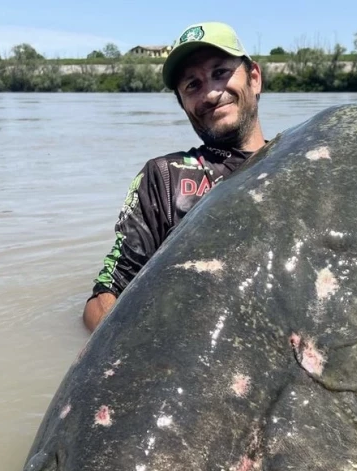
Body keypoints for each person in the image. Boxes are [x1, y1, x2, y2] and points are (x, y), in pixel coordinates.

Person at [82, 21, 266, 332]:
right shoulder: (164, 178)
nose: (209, 93)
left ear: (254, 78)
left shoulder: (304, 161)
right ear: (183, 104)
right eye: (192, 85)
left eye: (220, 72)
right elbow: (104, 296)